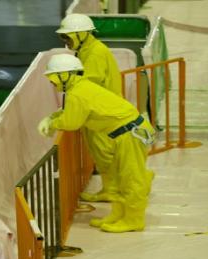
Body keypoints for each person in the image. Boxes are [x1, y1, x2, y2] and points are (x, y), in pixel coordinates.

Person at [38, 54, 154, 233]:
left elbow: (71, 122)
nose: (52, 83)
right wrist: (52, 117)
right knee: (117, 177)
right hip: (125, 134)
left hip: (130, 134)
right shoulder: (81, 87)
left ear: (64, 75)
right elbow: (72, 112)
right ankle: (118, 214)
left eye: (53, 77)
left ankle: (134, 219)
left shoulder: (78, 93)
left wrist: (51, 123)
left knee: (131, 178)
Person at [56, 13, 122, 203]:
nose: (66, 42)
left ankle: (114, 190)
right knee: (103, 153)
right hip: (98, 111)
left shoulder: (94, 53)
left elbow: (88, 84)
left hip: (101, 113)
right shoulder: (87, 50)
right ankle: (112, 187)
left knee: (105, 153)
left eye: (67, 37)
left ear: (81, 34)